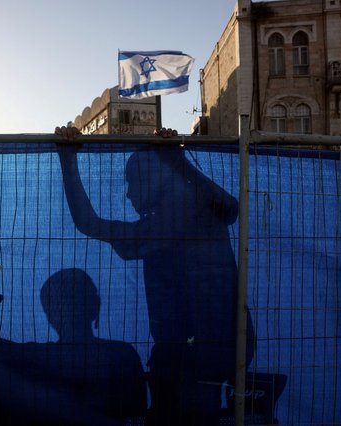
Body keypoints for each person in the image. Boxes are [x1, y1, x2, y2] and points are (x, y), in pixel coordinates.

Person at [55, 126, 254, 425]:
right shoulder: (197, 211)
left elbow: (88, 223)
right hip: (217, 347)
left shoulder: (173, 222)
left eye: (132, 182)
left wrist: (68, 161)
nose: (129, 193)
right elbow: (229, 208)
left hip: (194, 354)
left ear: (153, 176)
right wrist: (175, 160)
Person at [0, 259, 147, 425]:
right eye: (58, 303)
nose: (68, 308)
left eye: (74, 298)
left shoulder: (120, 355)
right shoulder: (120, 354)